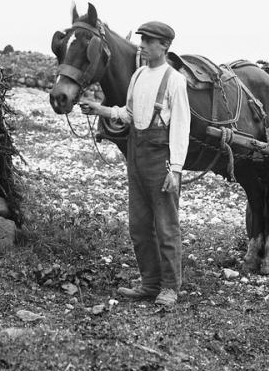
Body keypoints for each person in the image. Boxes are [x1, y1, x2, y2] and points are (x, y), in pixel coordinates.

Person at [80, 21, 190, 306]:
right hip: (136, 154)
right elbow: (128, 114)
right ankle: (150, 284)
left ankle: (170, 287)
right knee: (139, 226)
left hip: (160, 158)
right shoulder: (139, 75)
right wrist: (99, 109)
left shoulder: (174, 80)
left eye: (148, 41)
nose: (142, 45)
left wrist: (175, 170)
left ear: (164, 46)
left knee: (166, 225)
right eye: (142, 39)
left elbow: (180, 128)